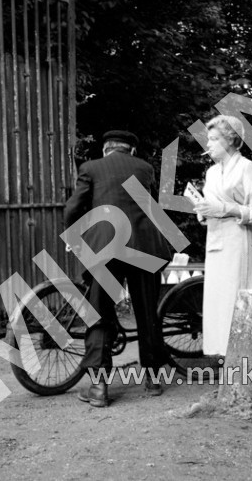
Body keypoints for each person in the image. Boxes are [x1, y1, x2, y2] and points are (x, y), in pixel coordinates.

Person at [64, 130, 173, 407]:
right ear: (131, 151)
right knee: (147, 311)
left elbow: (73, 208)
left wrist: (74, 237)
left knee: (98, 313)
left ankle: (99, 387)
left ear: (105, 150)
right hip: (143, 248)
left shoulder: (90, 168)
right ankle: (152, 379)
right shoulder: (145, 168)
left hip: (106, 248)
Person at [193, 115, 252, 357]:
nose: (209, 144)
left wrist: (224, 209)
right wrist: (203, 211)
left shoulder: (247, 168)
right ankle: (222, 357)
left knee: (236, 298)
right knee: (217, 302)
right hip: (215, 240)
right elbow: (210, 205)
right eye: (209, 139)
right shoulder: (212, 173)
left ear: (230, 140)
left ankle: (242, 358)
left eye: (214, 139)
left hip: (238, 240)